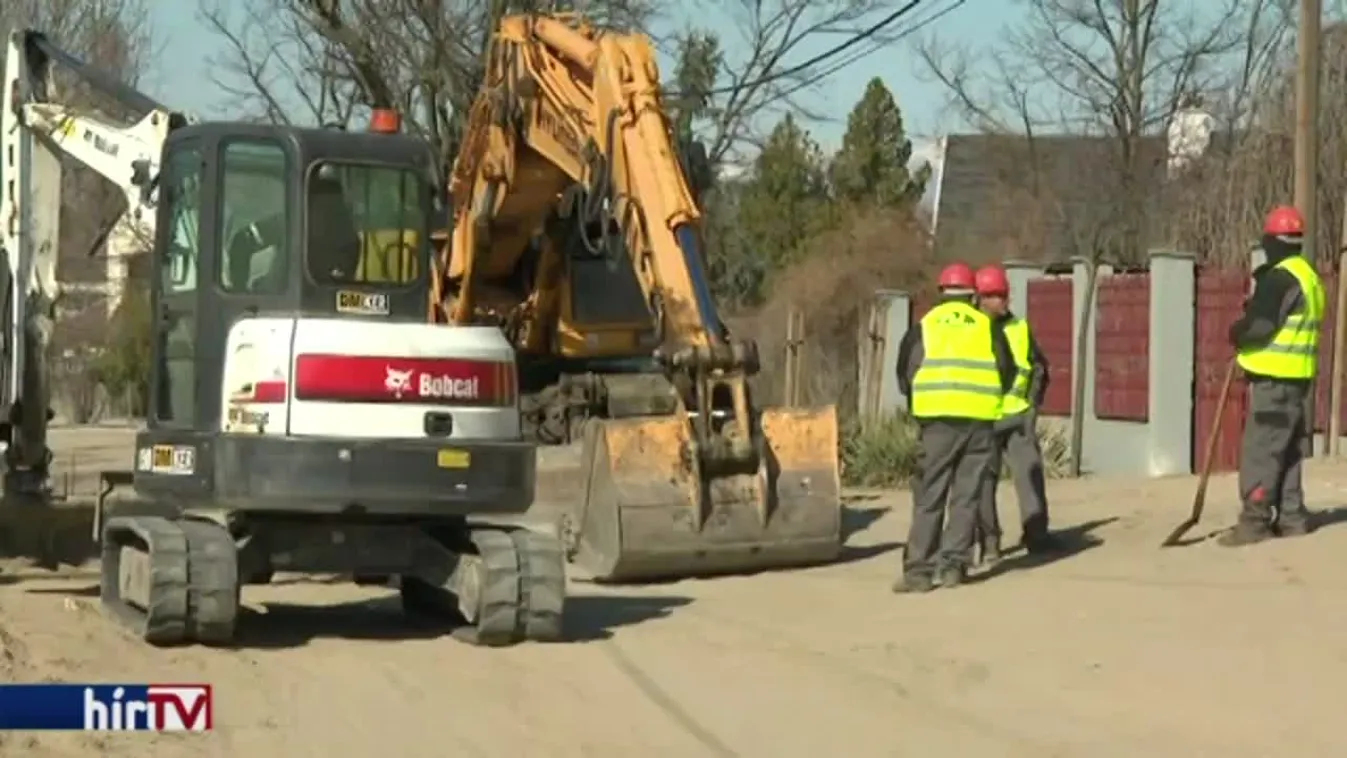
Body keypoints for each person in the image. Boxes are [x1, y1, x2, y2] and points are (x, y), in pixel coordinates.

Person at [893, 262, 1017, 592]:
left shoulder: (925, 326)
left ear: (941, 292)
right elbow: (1006, 371)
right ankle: (953, 568)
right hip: (979, 422)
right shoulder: (987, 327)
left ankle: (919, 572)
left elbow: (906, 374)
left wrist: (922, 403)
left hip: (936, 424)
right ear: (972, 294)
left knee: (930, 495)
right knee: (966, 497)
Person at [1222, 205, 1325, 546]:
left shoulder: (1279, 279)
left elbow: (1261, 327)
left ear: (1271, 241)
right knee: (1289, 451)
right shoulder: (1309, 277)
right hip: (1298, 380)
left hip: (1273, 381)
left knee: (1262, 450)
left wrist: (1237, 333)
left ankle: (1254, 521)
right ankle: (1293, 518)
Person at [971, 265, 1061, 563]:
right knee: (983, 483)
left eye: (1004, 295)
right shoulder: (970, 331)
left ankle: (1037, 534)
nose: (1003, 301)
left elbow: (1037, 367)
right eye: (996, 296)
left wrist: (1032, 405)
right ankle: (990, 542)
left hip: (1017, 417)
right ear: (979, 298)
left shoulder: (1019, 327)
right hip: (983, 419)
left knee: (1030, 474)